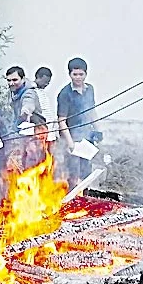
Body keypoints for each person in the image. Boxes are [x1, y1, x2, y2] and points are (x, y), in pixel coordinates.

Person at [57, 57, 99, 189]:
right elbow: (61, 120)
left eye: (81, 74)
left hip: (87, 137)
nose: (78, 77)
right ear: (69, 74)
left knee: (86, 172)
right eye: (75, 74)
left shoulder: (90, 89)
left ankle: (84, 200)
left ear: (86, 74)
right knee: (73, 174)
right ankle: (71, 201)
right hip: (72, 138)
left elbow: (92, 111)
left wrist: (97, 130)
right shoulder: (64, 94)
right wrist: (70, 143)